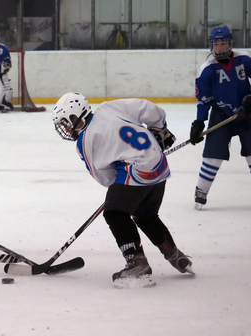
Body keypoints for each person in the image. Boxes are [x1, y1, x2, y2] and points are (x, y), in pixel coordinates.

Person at [52, 92, 194, 289]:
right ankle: (175, 255)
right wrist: (159, 129)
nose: (67, 128)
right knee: (145, 216)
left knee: (115, 213)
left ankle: (137, 262)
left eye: (68, 121)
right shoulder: (109, 107)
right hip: (159, 165)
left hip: (138, 171)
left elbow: (104, 177)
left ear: (79, 115)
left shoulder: (84, 141)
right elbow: (146, 108)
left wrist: (118, 192)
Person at [190, 26, 251, 210]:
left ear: (230, 43)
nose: (220, 47)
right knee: (212, 157)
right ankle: (201, 190)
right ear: (212, 45)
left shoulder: (245, 59)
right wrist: (199, 122)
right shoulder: (207, 69)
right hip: (221, 115)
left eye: (223, 43)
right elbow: (203, 99)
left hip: (246, 114)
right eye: (216, 44)